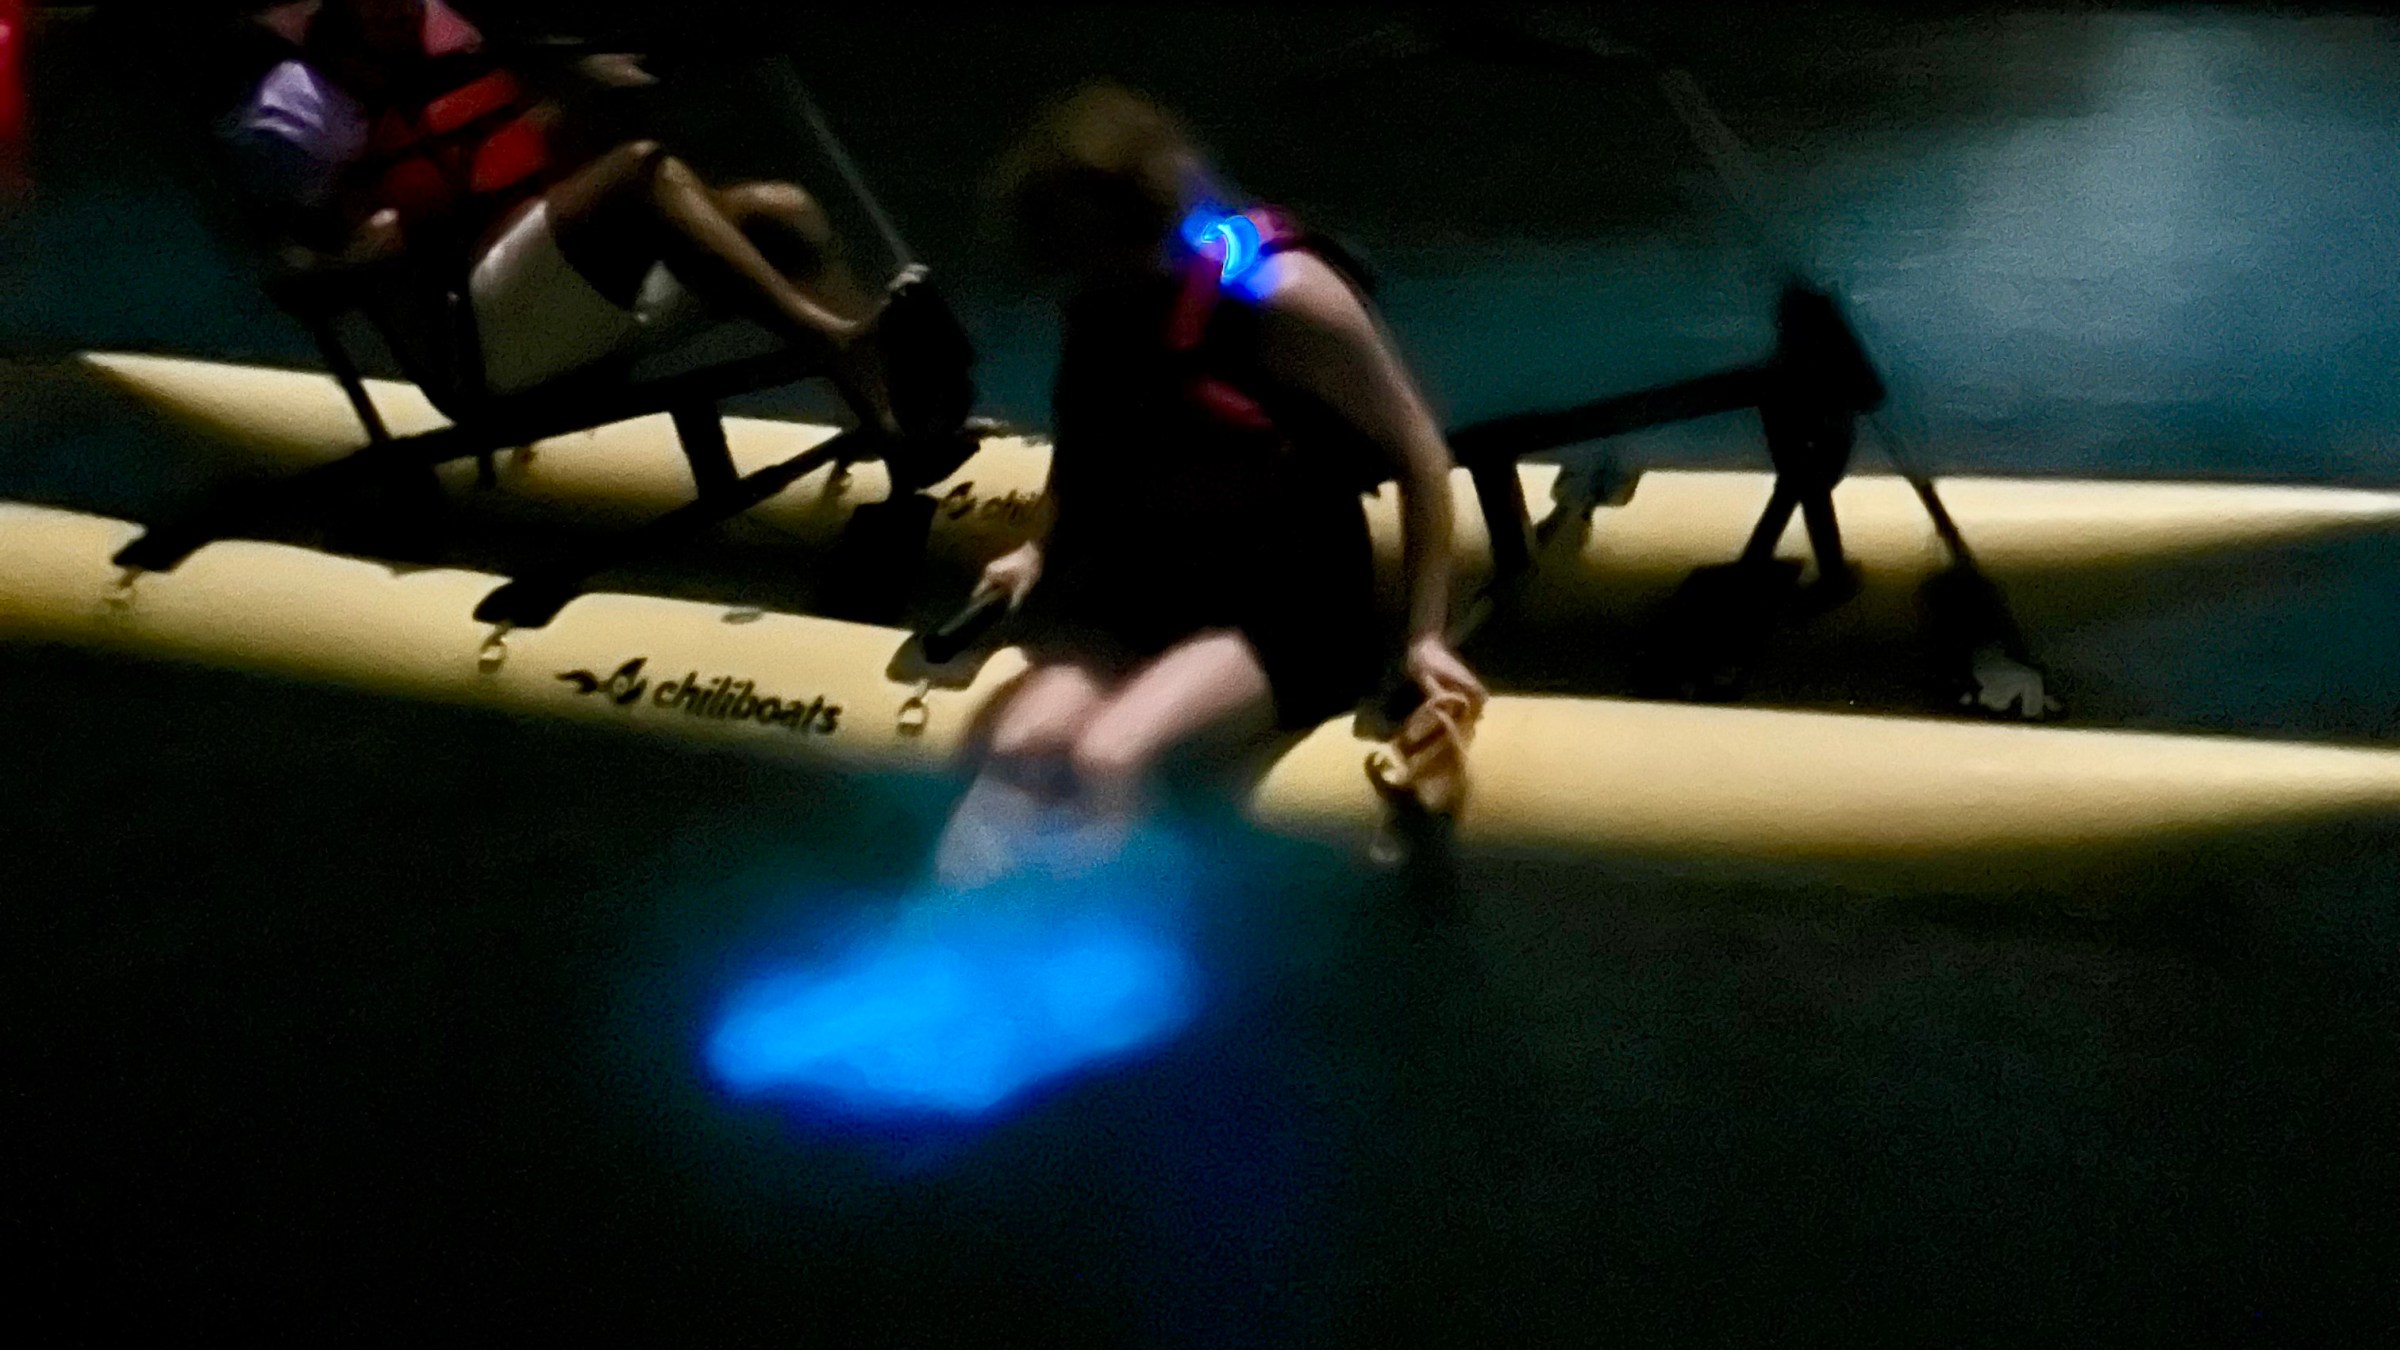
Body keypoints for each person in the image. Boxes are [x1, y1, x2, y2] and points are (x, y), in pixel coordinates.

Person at [933, 85, 1486, 886]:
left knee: (1107, 752)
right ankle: (954, 940)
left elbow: (1419, 455)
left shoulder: (1283, 296)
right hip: (1146, 590)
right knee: (1016, 748)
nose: (1067, 272)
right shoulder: (1102, 299)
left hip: (1281, 611)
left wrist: (1425, 634)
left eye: (1080, 247)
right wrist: (1036, 549)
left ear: (1131, 222)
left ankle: (1087, 968)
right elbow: (1090, 440)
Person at [227, 0, 916, 434]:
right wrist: (368, 250)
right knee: (639, 170)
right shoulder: (295, 109)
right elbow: (288, 273)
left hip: (562, 290)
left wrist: (582, 95)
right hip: (477, 342)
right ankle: (829, 335)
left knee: (781, 213)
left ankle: (889, 415)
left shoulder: (444, 33)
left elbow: (501, 153)